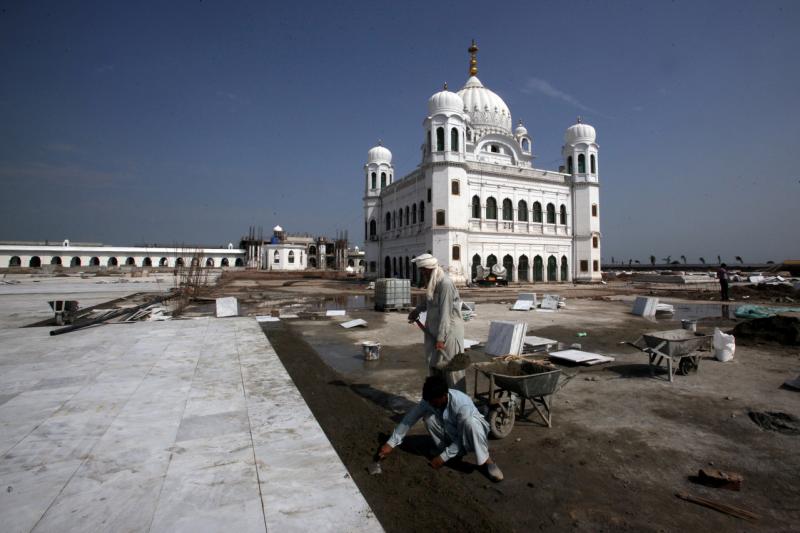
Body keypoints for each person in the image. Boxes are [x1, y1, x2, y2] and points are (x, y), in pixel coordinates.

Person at [377, 375, 503, 482]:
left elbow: (461, 436)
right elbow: (410, 419)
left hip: (472, 433)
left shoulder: (461, 405)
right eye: (429, 401)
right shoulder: (431, 400)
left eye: (433, 401)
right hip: (452, 430)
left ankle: (488, 461)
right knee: (428, 418)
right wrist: (391, 443)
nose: (431, 404)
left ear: (444, 396)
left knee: (470, 423)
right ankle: (451, 454)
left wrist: (443, 457)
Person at [407, 253, 465, 391]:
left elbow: (446, 313)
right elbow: (429, 299)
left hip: (449, 333)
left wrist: (441, 338)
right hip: (436, 331)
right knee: (436, 368)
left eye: (422, 270)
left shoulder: (445, 283)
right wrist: (417, 310)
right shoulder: (434, 281)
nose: (422, 273)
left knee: (452, 371)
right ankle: (441, 402)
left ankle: (459, 404)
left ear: (428, 268)